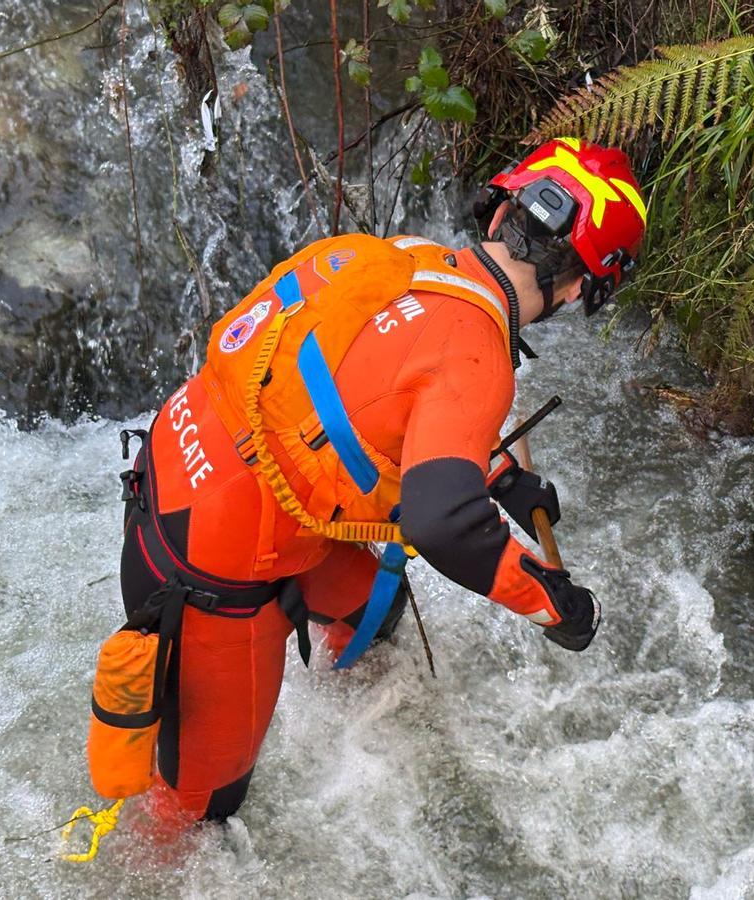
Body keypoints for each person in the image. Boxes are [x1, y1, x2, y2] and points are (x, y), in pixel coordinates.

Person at [105, 137, 647, 826]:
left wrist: (501, 475)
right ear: (577, 288)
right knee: (201, 809)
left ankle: (355, 728)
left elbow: (357, 398)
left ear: (496, 219)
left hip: (172, 472)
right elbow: (443, 523)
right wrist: (549, 599)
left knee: (374, 613)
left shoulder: (408, 258)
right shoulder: (480, 356)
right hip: (213, 568)